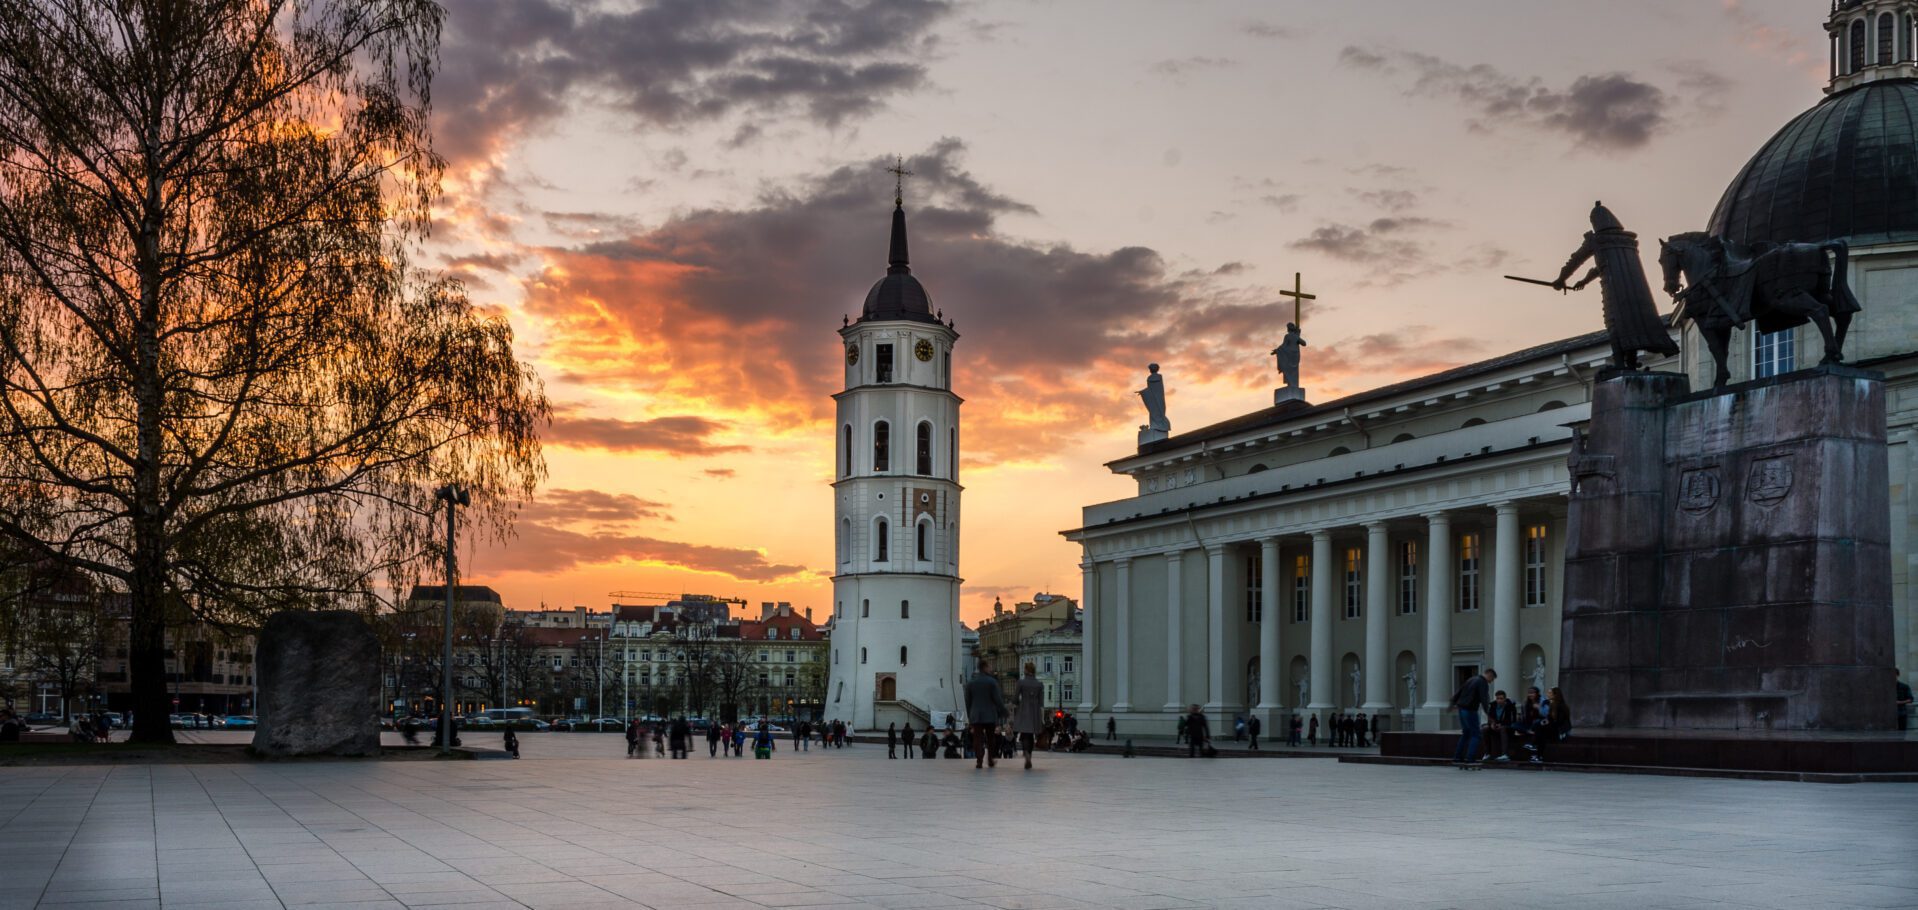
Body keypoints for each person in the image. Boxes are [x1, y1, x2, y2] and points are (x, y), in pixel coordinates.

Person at [963, 659, 1007, 769]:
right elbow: (998, 699)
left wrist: (969, 715)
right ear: (985, 667)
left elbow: (967, 701)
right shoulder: (992, 682)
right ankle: (990, 759)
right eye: (989, 666)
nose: (991, 668)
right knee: (991, 738)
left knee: (977, 738)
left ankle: (979, 760)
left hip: (976, 714)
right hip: (990, 715)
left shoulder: (971, 682)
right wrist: (1003, 711)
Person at [1452, 668, 1496, 767]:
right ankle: (1470, 758)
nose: (1491, 682)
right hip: (1470, 710)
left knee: (1466, 733)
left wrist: (1453, 703)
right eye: (1492, 679)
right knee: (1476, 734)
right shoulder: (1482, 682)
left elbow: (1459, 692)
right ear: (1490, 675)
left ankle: (1457, 757)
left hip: (1461, 708)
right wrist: (1489, 714)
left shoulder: (1471, 679)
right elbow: (1484, 699)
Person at [1012, 661, 1045, 770]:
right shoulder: (1039, 684)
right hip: (1035, 711)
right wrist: (1042, 718)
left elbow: (1016, 698)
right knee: (1030, 735)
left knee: (1025, 733)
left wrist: (1014, 705)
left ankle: (1026, 753)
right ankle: (1029, 755)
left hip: (1024, 709)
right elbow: (1041, 702)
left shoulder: (1021, 682)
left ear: (1026, 670)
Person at [1534, 686, 1571, 764]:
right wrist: (1545, 722)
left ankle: (1536, 751)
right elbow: (1549, 718)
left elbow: (1560, 721)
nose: (1548, 694)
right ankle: (1538, 755)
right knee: (1539, 727)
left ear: (1555, 695)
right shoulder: (1551, 704)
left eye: (1550, 693)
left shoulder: (1562, 706)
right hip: (1553, 728)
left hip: (1560, 730)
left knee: (1541, 729)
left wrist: (1547, 722)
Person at [1484, 691, 1517, 761]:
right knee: (1485, 729)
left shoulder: (1510, 706)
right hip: (1496, 726)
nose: (1499, 700)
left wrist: (1501, 724)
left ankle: (1504, 754)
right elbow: (1490, 717)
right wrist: (1492, 724)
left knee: (1502, 728)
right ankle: (1487, 753)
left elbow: (1512, 719)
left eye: (1501, 698)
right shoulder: (1493, 705)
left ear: (1505, 699)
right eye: (1497, 698)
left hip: (1508, 727)